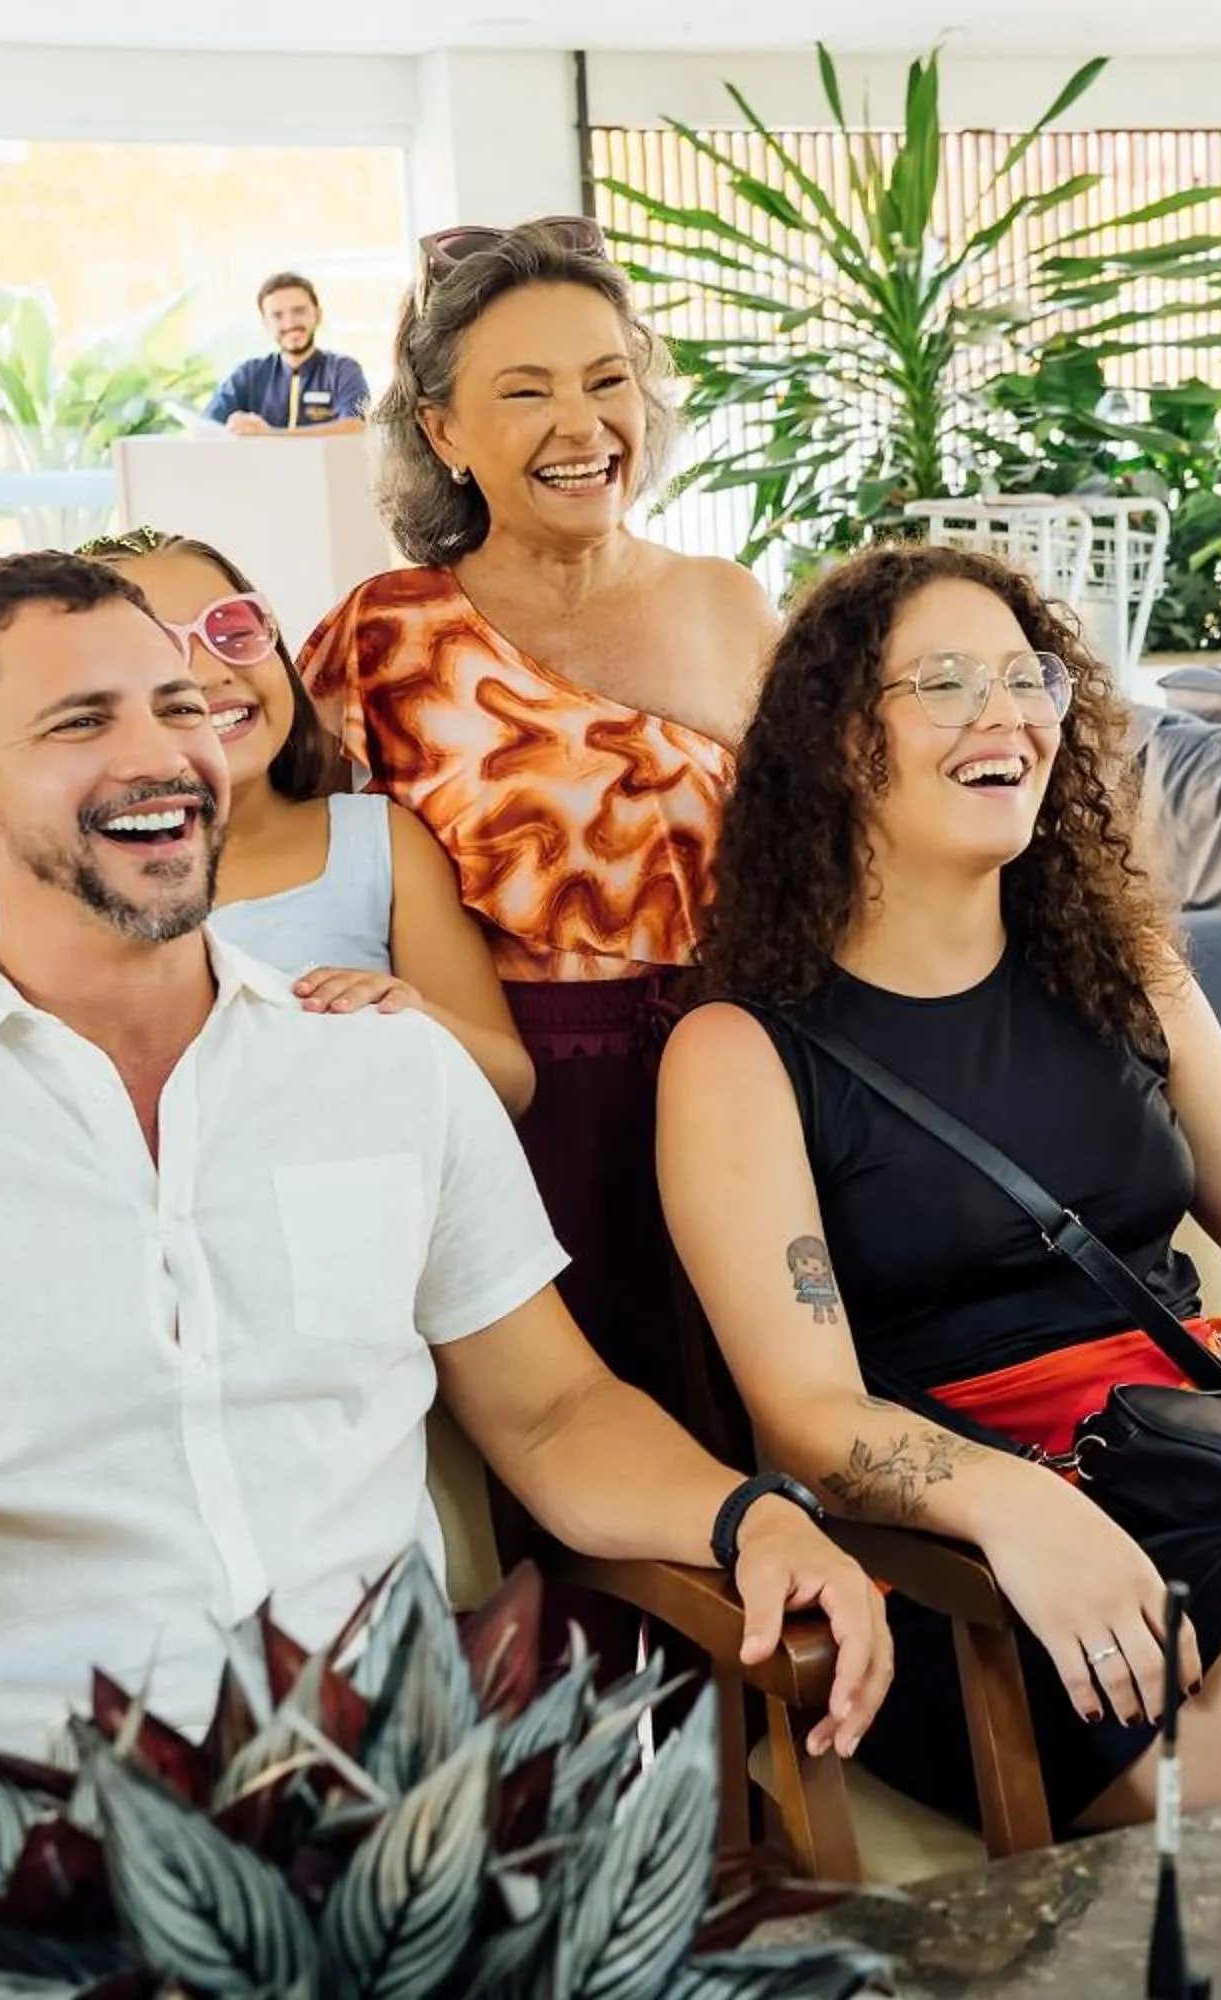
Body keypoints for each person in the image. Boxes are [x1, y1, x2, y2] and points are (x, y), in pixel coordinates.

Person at [0, 551, 888, 1769]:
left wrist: (746, 1513)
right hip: (32, 1829)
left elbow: (556, 1411)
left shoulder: (389, 1071)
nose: (163, 753)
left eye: (178, 706)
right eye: (79, 723)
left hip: (396, 1806)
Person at [655, 542, 1221, 1837]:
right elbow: (809, 1411)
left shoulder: (1133, 979)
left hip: (1210, 1485)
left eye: (1027, 678)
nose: (1005, 716)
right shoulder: (741, 1053)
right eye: (943, 683)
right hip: (970, 1580)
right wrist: (1020, 1508)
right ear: (837, 742)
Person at [300, 216, 777, 1436]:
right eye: (527, 392)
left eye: (608, 380)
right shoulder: (383, 634)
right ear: (445, 432)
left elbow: (838, 857)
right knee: (550, 1458)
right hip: (501, 1109)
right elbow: (250, 838)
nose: (583, 425)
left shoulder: (727, 606)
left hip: (742, 1097)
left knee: (753, 1436)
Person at [0, 527, 535, 1116]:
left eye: (234, 628)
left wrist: (407, 1017)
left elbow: (509, 1082)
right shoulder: (64, 889)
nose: (210, 673)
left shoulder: (377, 845)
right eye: (161, 651)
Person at [202, 271, 369, 436]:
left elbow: (355, 427)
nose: (290, 323)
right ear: (265, 323)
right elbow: (206, 426)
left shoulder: (343, 370)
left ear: (318, 315)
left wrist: (270, 435)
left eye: (299, 311)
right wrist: (234, 426)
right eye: (277, 315)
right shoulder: (248, 374)